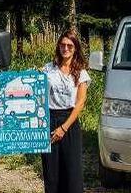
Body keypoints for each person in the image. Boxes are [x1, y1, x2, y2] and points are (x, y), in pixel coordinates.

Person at [40, 29, 90, 193]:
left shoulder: (80, 72)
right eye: (62, 45)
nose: (65, 48)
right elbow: (31, 86)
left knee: (72, 172)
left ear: (75, 48)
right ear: (58, 47)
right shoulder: (48, 69)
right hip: (49, 120)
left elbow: (80, 102)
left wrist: (64, 128)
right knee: (51, 173)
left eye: (69, 45)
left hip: (70, 122)